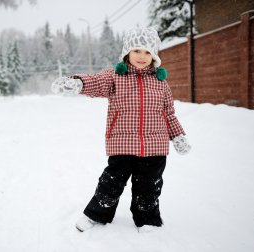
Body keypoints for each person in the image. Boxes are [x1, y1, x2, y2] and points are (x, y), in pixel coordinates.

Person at [51, 27, 191, 232]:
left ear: (154, 56)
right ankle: (97, 215)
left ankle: (147, 218)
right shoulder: (116, 77)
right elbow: (96, 82)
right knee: (111, 183)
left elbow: (168, 114)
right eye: (137, 51)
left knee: (149, 186)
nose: (142, 57)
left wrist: (178, 136)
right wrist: (78, 83)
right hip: (123, 143)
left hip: (155, 147)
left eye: (147, 52)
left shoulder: (161, 83)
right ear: (127, 53)